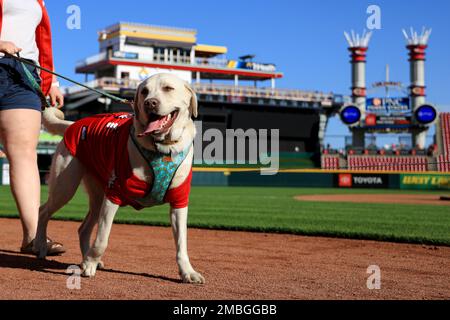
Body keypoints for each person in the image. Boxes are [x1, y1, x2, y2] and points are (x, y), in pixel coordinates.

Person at [0, 0, 65, 255]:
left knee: (24, 153)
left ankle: (33, 236)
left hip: (22, 73)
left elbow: (39, 41)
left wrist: (53, 81)